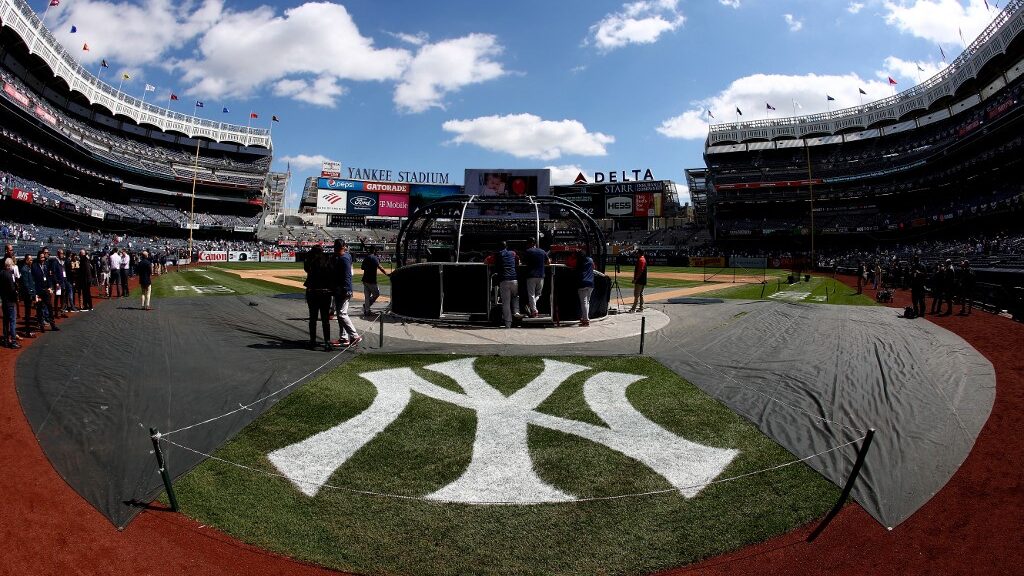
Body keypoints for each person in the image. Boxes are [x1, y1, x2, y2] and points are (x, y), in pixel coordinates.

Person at [330, 239, 362, 347]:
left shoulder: (344, 259)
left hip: (344, 290)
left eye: (337, 247)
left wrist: (346, 290)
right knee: (340, 315)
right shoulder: (345, 256)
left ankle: (354, 336)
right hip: (339, 289)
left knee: (342, 314)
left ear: (341, 247)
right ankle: (343, 338)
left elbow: (347, 276)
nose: (335, 249)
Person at [304, 245, 334, 350]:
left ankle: (312, 342)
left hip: (313, 292)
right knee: (325, 319)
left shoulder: (311, 261)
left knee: (313, 318)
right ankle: (327, 342)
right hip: (325, 293)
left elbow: (306, 269)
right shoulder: (327, 260)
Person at [494, 241, 521, 328]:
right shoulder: (513, 253)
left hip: (504, 280)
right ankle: (516, 311)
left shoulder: (498, 254)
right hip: (514, 279)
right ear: (506, 246)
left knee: (506, 303)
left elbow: (487, 261)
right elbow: (518, 260)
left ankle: (508, 323)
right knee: (516, 296)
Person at [31, 249, 57, 332]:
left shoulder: (45, 265)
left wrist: (50, 287)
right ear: (38, 258)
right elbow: (33, 280)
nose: (43, 259)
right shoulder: (34, 266)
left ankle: (53, 325)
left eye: (43, 258)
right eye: (41, 257)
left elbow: (48, 277)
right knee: (39, 309)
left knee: (49, 306)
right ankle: (41, 325)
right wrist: (35, 293)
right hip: (39, 290)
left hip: (46, 290)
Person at [522, 238, 549, 318]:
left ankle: (534, 311)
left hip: (531, 276)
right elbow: (548, 262)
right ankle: (532, 305)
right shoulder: (542, 251)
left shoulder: (528, 252)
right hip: (541, 276)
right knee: (538, 294)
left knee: (531, 295)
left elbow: (523, 262)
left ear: (529, 244)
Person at [360, 246, 389, 317]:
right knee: (377, 294)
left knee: (367, 296)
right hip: (371, 280)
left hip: (365, 280)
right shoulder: (374, 258)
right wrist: (387, 274)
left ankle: (367, 310)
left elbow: (362, 267)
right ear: (374, 251)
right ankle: (368, 306)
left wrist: (368, 264)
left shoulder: (367, 258)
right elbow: (380, 267)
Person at [1, 258, 19, 349]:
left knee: (5, 321)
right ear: (10, 265)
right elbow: (12, 290)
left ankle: (6, 340)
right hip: (10, 301)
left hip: (4, 300)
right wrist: (16, 295)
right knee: (12, 321)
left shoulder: (1, 273)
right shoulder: (9, 275)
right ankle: (13, 341)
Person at [17, 255, 36, 338]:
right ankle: (27, 331)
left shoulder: (28, 268)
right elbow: (26, 284)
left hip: (29, 292)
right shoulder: (25, 269)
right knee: (27, 313)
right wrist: (31, 293)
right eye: (30, 260)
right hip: (27, 294)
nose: (32, 261)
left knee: (28, 312)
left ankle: (28, 330)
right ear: (27, 260)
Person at [576, 249, 595, 327]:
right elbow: (594, 267)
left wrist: (573, 255)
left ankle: (586, 320)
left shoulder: (579, 261)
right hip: (591, 283)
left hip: (583, 283)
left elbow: (568, 262)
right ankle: (585, 318)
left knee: (584, 302)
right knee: (587, 302)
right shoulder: (590, 260)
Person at [630, 248, 647, 313]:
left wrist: (635, 279)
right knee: (640, 294)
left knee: (636, 295)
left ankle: (633, 309)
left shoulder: (641, 259)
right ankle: (641, 308)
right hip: (642, 280)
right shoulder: (643, 259)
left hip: (639, 280)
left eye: (637, 253)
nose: (636, 254)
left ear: (639, 253)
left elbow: (640, 270)